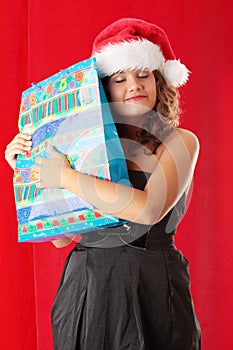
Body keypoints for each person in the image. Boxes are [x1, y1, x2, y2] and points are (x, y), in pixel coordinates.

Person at [5, 18, 201, 350]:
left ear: (158, 81)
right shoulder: (83, 147)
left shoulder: (181, 141)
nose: (134, 85)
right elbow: (61, 237)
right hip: (86, 288)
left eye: (143, 74)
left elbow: (149, 209)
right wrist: (26, 170)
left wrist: (66, 176)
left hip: (151, 286)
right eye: (119, 78)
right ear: (103, 90)